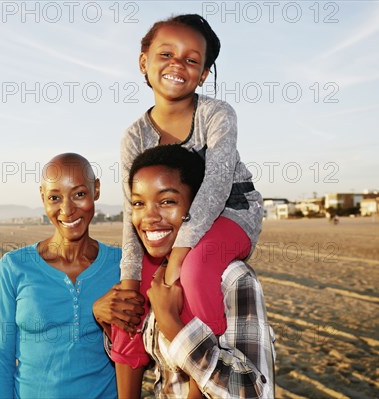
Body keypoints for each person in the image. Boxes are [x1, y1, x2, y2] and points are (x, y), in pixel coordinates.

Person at [116, 13, 264, 394]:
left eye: (192, 60)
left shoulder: (216, 114)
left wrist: (178, 259)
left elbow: (215, 185)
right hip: (171, 220)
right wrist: (130, 283)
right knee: (128, 304)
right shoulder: (134, 136)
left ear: (204, 73)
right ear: (143, 61)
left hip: (232, 209)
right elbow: (132, 210)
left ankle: (199, 383)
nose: (177, 65)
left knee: (196, 271)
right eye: (166, 53)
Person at [95, 144, 276, 398]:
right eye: (138, 203)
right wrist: (105, 317)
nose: (149, 217)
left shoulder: (233, 280)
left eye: (167, 201)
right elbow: (154, 366)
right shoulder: (153, 277)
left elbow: (257, 393)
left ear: (200, 208)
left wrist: (173, 326)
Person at [0, 153, 141, 399]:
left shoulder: (124, 266)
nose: (67, 210)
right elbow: (1, 359)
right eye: (54, 198)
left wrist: (104, 320)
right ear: (42, 198)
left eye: (79, 194)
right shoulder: (13, 267)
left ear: (96, 190)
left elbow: (144, 348)